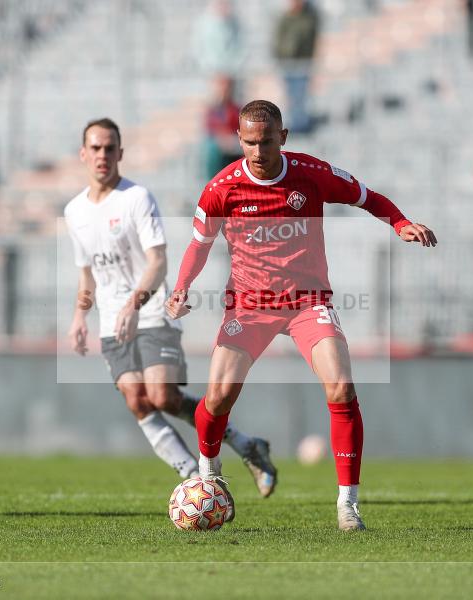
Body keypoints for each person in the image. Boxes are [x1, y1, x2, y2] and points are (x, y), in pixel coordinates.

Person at [165, 101, 436, 530]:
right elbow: (198, 245)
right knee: (217, 397)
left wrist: (399, 223)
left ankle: (348, 504)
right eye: (250, 142)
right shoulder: (222, 188)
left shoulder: (311, 173)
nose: (258, 150)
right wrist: (181, 287)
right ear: (240, 140)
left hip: (308, 302)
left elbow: (368, 196)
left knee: (342, 388)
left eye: (266, 141)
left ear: (283, 137)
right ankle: (210, 474)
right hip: (250, 306)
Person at [64, 118, 277, 504]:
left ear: (121, 154)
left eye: (110, 148)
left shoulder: (136, 198)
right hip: (113, 323)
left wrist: (133, 304)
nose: (102, 155)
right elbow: (86, 274)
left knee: (161, 396)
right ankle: (195, 475)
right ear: (83, 154)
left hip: (149, 314)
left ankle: (240, 446)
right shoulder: (75, 210)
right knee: (137, 401)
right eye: (95, 148)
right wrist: (80, 316)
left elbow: (158, 262)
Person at [273, 0, 319, 133]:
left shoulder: (309, 18)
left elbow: (307, 39)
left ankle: (301, 124)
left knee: (300, 95)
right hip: (287, 64)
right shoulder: (285, 18)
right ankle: (292, 124)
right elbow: (278, 41)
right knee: (290, 95)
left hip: (302, 64)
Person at [203, 75, 243, 181]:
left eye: (226, 88)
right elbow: (212, 129)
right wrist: (222, 139)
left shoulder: (237, 109)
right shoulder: (212, 110)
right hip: (220, 146)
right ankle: (213, 182)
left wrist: (231, 139)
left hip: (235, 144)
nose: (224, 91)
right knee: (212, 149)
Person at [192, 0, 245, 77]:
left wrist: (231, 69)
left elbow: (241, 48)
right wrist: (210, 69)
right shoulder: (203, 24)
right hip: (211, 71)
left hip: (229, 72)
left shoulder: (236, 24)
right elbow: (198, 48)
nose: (223, 6)